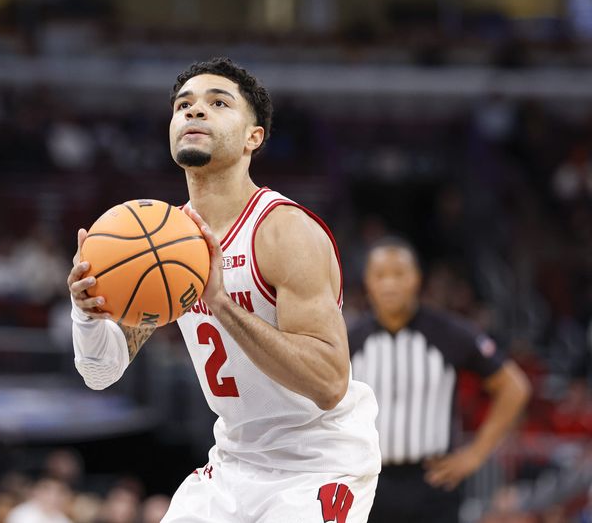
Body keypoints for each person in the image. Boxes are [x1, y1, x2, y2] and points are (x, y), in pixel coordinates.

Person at [67, 57, 381, 522]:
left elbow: (330, 383)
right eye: (184, 105)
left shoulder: (284, 231)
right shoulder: (167, 240)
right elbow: (101, 372)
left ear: (254, 137)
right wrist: (87, 313)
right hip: (235, 461)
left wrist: (220, 302)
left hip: (316, 462)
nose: (195, 112)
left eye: (218, 103)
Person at [349, 236, 531, 523]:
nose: (390, 284)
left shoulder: (449, 333)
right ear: (367, 281)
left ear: (417, 279)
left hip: (433, 482)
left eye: (399, 274)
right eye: (380, 275)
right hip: (370, 481)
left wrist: (475, 455)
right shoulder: (350, 338)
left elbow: (514, 387)